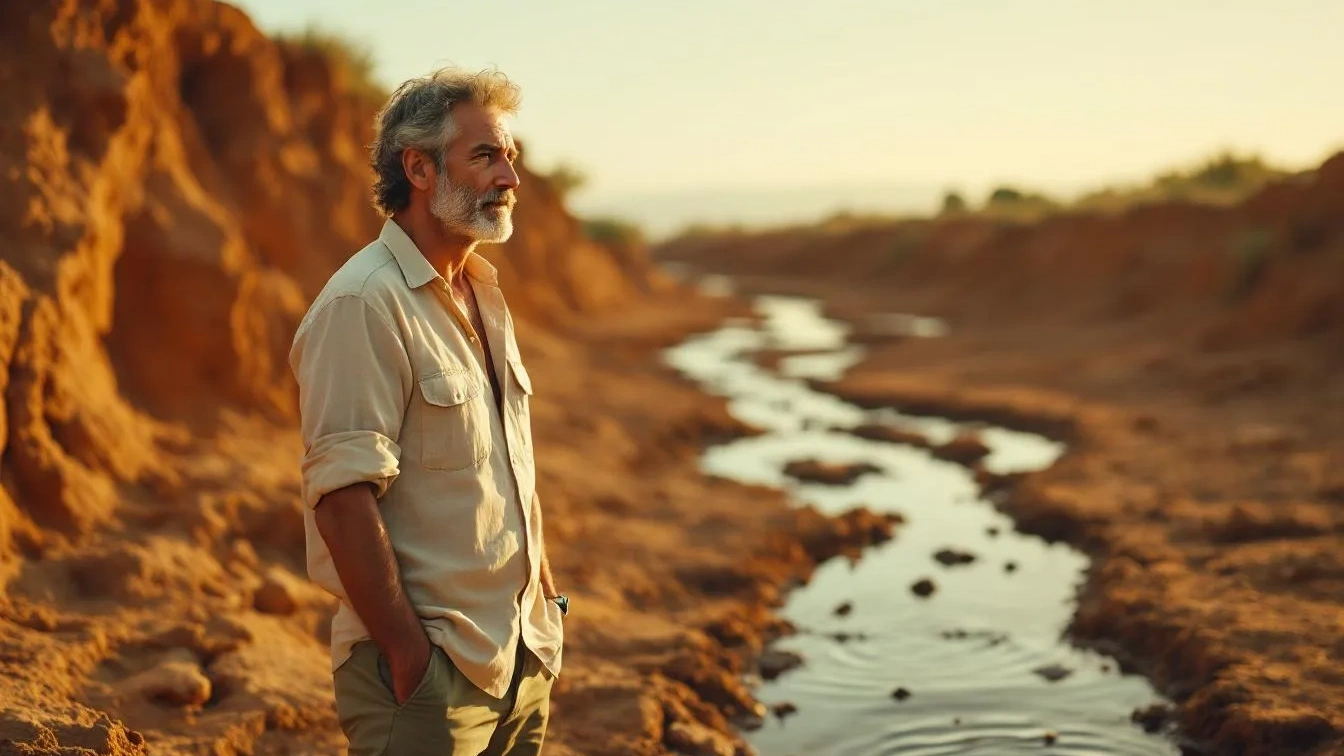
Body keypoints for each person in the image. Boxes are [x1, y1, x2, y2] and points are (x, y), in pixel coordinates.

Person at [288, 67, 566, 756]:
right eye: (485, 155)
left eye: (510, 156)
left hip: (521, 656)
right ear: (418, 168)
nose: (510, 178)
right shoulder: (364, 303)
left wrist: (545, 603)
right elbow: (342, 499)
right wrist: (409, 656)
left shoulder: (482, 293)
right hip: (431, 677)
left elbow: (506, 469)